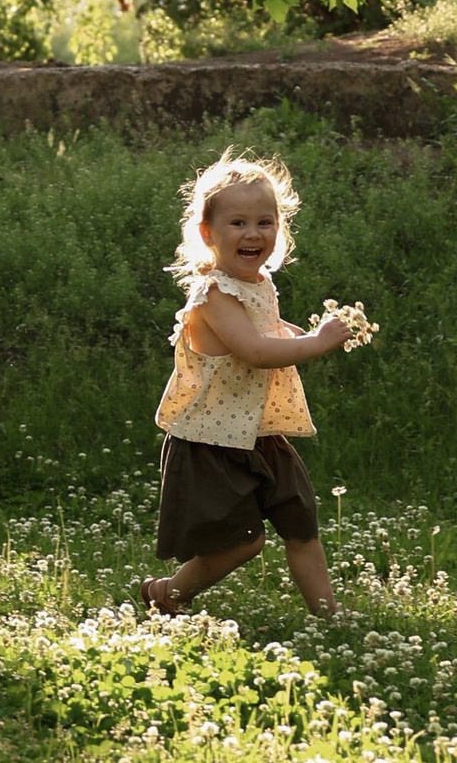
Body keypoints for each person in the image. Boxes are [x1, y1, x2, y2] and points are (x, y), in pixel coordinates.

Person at [141, 151, 358, 623]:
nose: (253, 233)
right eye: (237, 222)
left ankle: (330, 618)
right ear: (207, 233)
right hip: (213, 440)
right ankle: (168, 592)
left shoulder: (257, 282)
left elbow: (266, 328)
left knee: (301, 524)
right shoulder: (213, 293)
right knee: (243, 542)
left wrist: (302, 333)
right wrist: (317, 344)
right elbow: (255, 351)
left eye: (265, 221)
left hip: (261, 432)